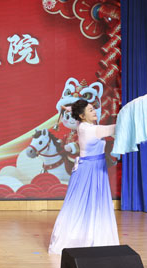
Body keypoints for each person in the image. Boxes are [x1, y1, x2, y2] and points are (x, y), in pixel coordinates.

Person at [48, 99, 119, 254]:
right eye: (90, 110)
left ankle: (90, 235)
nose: (94, 111)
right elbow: (115, 128)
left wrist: (68, 108)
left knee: (91, 204)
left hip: (92, 168)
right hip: (90, 170)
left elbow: (74, 111)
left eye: (94, 109)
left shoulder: (81, 124)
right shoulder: (91, 130)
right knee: (83, 205)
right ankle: (80, 238)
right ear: (82, 115)